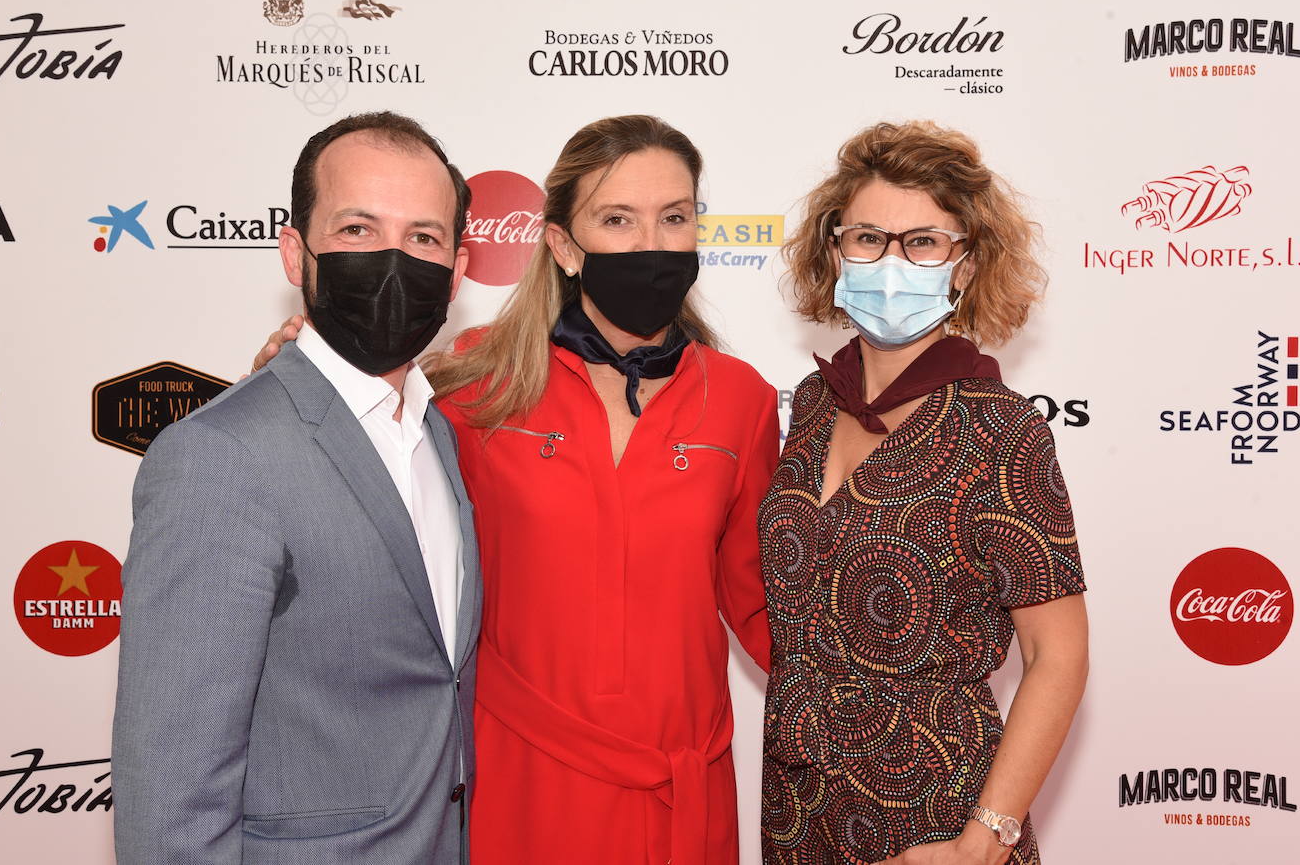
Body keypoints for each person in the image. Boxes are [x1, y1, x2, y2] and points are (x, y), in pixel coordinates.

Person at [255, 114, 776, 864]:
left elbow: (762, 604)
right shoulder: (469, 380)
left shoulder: (742, 398)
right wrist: (288, 374)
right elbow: (339, 481)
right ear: (564, 244)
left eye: (674, 217)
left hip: (681, 796)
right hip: (521, 780)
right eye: (617, 219)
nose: (651, 244)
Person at [112, 111, 482, 865]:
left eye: (423, 237)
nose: (391, 258)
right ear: (294, 252)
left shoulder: (437, 433)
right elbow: (170, 802)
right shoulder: (219, 456)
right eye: (356, 229)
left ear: (458, 263)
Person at [760, 121, 1089, 865]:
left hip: (936, 815)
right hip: (796, 809)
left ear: (965, 264)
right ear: (835, 249)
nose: (891, 260)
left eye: (924, 242)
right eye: (869, 236)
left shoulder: (998, 429)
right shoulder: (813, 403)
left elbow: (1058, 656)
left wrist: (983, 841)